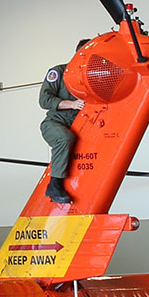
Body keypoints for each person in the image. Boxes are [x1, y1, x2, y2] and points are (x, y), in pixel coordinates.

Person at [38, 44, 88, 205]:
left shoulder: (93, 77)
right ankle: (55, 184)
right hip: (55, 122)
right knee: (64, 138)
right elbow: (44, 100)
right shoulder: (58, 72)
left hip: (80, 125)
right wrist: (71, 104)